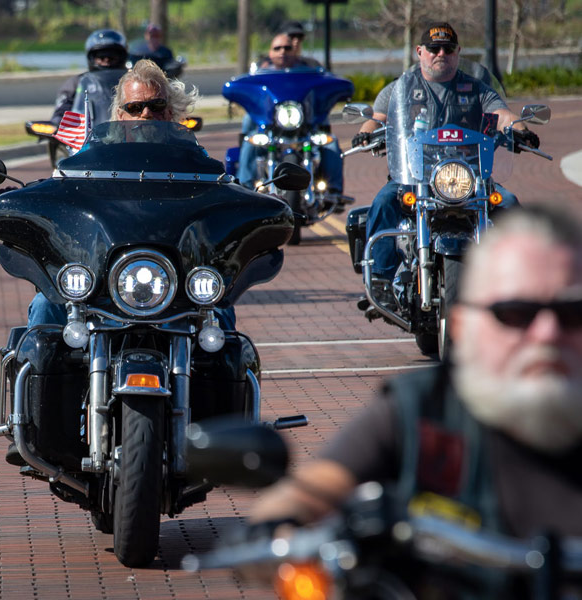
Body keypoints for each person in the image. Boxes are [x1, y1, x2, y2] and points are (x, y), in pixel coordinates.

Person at [250, 203, 582, 596]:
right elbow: (307, 492)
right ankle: (384, 272)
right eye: (515, 313)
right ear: (462, 327)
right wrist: (280, 533)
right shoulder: (420, 410)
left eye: (571, 313)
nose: (546, 334)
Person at [27, 60, 231, 328]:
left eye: (156, 105)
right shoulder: (95, 156)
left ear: (169, 112)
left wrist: (242, 194)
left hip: (176, 273)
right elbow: (66, 183)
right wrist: (33, 194)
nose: (146, 113)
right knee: (46, 306)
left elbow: (219, 186)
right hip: (102, 271)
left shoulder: (191, 157)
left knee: (220, 310)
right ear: (120, 115)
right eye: (135, 107)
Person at [353, 22, 540, 299]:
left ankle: (521, 279)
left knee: (509, 204)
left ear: (458, 52)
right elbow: (378, 118)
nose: (441, 53)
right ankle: (381, 280)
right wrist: (365, 133)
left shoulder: (476, 89)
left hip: (470, 177)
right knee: (383, 203)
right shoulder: (401, 89)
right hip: (415, 176)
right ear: (419, 51)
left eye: (448, 49)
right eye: (434, 48)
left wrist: (520, 130)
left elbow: (501, 114)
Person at [236, 23, 341, 195]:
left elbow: (326, 83)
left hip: (304, 121)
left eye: (287, 48)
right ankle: (245, 188)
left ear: (294, 50)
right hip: (270, 122)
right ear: (270, 51)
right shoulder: (261, 68)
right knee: (249, 140)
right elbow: (249, 88)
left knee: (331, 143)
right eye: (277, 48)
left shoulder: (310, 66)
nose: (282, 52)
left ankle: (334, 189)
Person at [50, 29, 128, 126]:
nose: (106, 61)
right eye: (101, 57)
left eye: (112, 57)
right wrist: (56, 123)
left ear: (122, 56)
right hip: (87, 133)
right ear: (91, 57)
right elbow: (61, 109)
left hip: (127, 132)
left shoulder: (134, 81)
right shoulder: (76, 82)